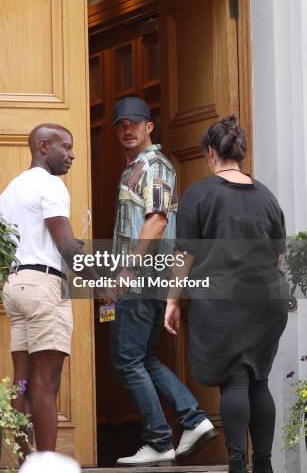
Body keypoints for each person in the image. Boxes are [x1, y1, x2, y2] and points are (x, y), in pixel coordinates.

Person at [164, 115, 289, 473]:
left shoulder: (199, 194)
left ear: (209, 152)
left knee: (234, 376)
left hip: (224, 299)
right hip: (268, 297)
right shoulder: (266, 195)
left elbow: (184, 254)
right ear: (240, 152)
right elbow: (278, 256)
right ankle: (262, 464)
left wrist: (173, 300)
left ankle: (238, 464)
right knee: (258, 378)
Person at [110, 96, 217, 466]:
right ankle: (193, 418)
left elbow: (157, 219)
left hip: (143, 278)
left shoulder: (153, 165)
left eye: (134, 123)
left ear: (148, 126)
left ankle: (159, 440)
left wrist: (127, 268)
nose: (127, 130)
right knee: (140, 357)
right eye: (121, 124)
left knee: (126, 360)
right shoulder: (136, 168)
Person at [0, 123, 83, 456]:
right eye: (66, 146)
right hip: (44, 285)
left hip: (15, 285)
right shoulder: (51, 185)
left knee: (22, 378)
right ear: (43, 146)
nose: (72, 154)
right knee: (46, 382)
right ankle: (45, 463)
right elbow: (66, 245)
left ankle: (22, 458)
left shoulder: (9, 191)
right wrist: (100, 282)